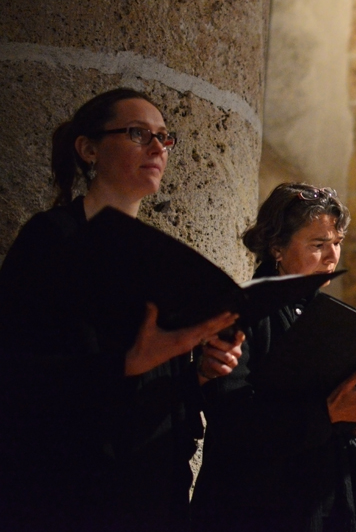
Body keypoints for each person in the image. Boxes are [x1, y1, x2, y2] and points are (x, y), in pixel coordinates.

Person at [0, 88, 242, 531]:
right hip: (70, 489)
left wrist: (200, 372)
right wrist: (126, 363)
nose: (157, 148)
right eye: (138, 133)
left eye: (164, 138)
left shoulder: (159, 257)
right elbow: (17, 368)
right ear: (88, 149)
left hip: (149, 485)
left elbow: (160, 379)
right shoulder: (53, 239)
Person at [192, 183, 356, 532]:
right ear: (277, 249)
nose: (332, 257)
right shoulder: (241, 313)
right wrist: (328, 413)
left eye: (337, 243)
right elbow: (235, 423)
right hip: (262, 508)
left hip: (332, 500)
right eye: (318, 245)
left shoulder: (332, 315)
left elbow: (354, 427)